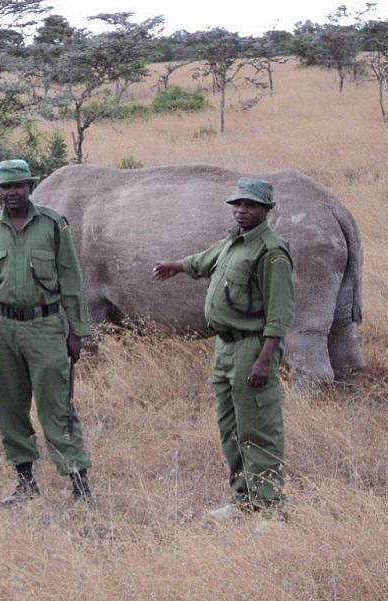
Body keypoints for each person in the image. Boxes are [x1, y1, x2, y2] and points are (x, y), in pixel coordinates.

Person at [153, 177, 294, 520]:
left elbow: (279, 314)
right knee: (230, 428)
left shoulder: (271, 251)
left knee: (258, 428)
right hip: (225, 347)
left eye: (251, 205)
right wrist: (177, 266)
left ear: (266, 209)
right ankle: (243, 500)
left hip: (252, 347)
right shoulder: (233, 242)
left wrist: (264, 360)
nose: (242, 211)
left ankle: (271, 508)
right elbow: (202, 262)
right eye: (238, 205)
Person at [0, 159, 93, 506]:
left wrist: (77, 332)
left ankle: (80, 486)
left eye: (19, 185)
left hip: (45, 326)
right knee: (9, 408)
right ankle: (25, 484)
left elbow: (72, 281)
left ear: (30, 187)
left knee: (56, 406)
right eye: (6, 187)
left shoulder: (54, 225)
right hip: (2, 328)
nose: (12, 192)